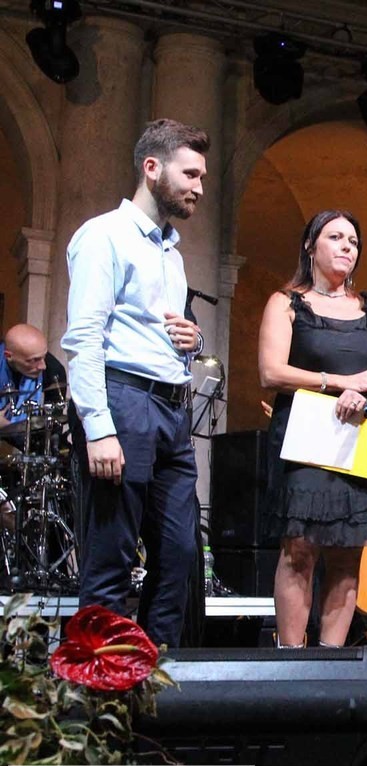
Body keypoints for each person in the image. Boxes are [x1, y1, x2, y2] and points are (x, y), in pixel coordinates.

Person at [62, 119, 209, 649]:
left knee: (179, 557)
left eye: (202, 176)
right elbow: (83, 339)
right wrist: (98, 428)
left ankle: (150, 687)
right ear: (152, 168)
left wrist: (187, 342)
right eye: (190, 173)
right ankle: (95, 706)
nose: (198, 186)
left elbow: (150, 329)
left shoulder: (172, 251)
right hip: (124, 404)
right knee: (111, 560)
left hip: (172, 410)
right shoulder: (103, 235)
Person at [258, 210, 367, 648]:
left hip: (358, 438)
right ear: (310, 245)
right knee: (299, 548)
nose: (347, 247)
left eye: (354, 241)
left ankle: (330, 663)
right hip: (304, 440)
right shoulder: (285, 303)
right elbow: (271, 371)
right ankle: (292, 662)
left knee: (348, 551)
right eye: (336, 237)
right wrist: (341, 383)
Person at [1, 323, 68, 436]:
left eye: (44, 356)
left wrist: (7, 427)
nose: (43, 366)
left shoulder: (54, 370)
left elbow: (53, 427)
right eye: (34, 360)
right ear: (8, 356)